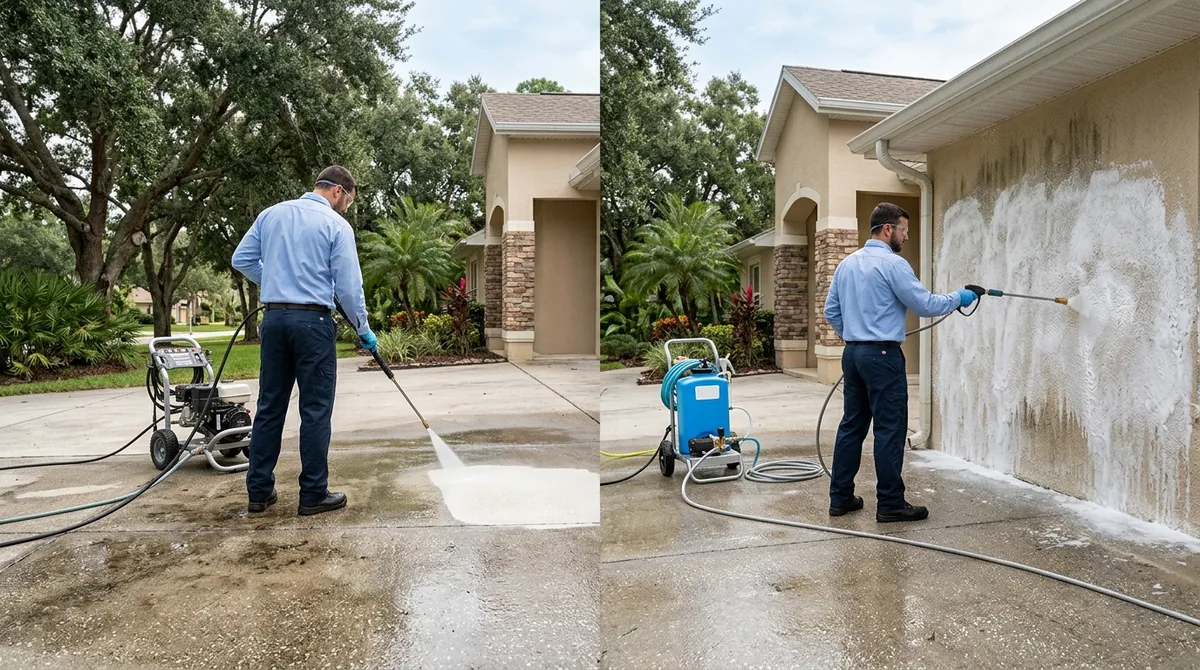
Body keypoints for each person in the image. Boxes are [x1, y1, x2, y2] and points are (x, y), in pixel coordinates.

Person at [231, 166, 377, 516]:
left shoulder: (271, 214)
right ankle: (312, 494)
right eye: (348, 202)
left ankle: (259, 493)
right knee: (315, 410)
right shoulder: (336, 225)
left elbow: (242, 259)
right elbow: (347, 287)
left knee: (269, 407)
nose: (346, 210)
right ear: (339, 191)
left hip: (275, 319)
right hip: (313, 323)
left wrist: (277, 281)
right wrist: (363, 330)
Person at [822, 202, 976, 522]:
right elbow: (924, 304)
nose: (906, 237)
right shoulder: (894, 264)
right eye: (904, 230)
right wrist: (960, 297)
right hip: (882, 356)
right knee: (890, 429)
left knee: (852, 425)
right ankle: (891, 502)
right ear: (888, 229)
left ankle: (841, 498)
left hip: (853, 355)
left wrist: (855, 337)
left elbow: (830, 312)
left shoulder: (847, 264)